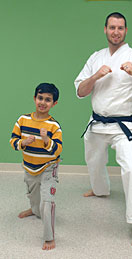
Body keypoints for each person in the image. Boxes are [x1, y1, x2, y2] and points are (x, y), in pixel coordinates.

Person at [74, 12, 132, 246]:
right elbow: (81, 91)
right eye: (112, 27)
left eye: (120, 28)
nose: (116, 31)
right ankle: (100, 190)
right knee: (93, 160)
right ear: (105, 29)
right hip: (97, 123)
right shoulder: (95, 58)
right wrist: (96, 75)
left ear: (126, 31)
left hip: (125, 127)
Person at [10, 83, 62, 250]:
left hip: (48, 168)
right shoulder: (22, 120)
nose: (43, 102)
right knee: (33, 195)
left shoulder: (54, 126)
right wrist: (22, 143)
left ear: (54, 104)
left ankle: (49, 238)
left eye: (48, 100)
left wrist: (47, 141)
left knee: (47, 202)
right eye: (40, 98)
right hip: (29, 166)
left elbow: (57, 150)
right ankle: (33, 209)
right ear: (34, 98)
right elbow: (13, 141)